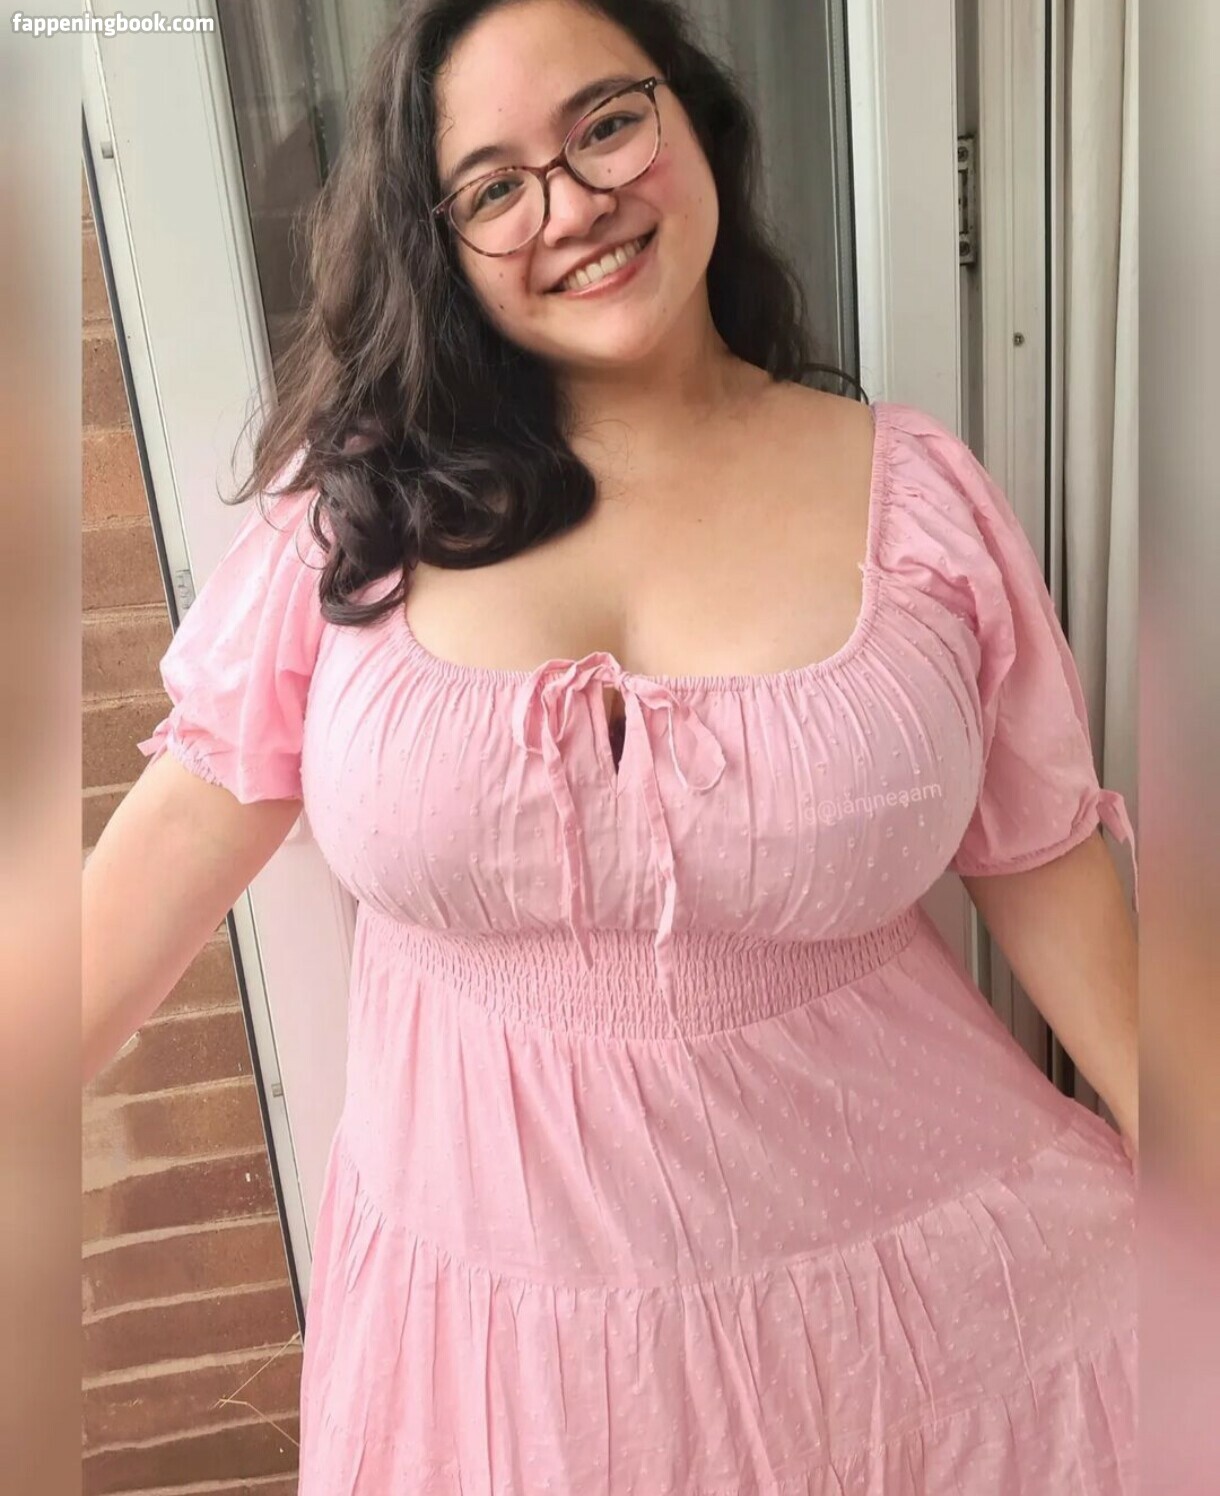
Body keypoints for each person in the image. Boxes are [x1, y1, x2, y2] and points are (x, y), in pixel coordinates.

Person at [82, 0, 1140, 1488]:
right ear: (440, 247)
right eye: (494, 187)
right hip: (496, 1376)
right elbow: (132, 901)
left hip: (903, 1333)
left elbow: (1043, 866)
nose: (574, 204)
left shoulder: (912, 497)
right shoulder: (356, 523)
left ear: (692, 116)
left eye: (606, 124)